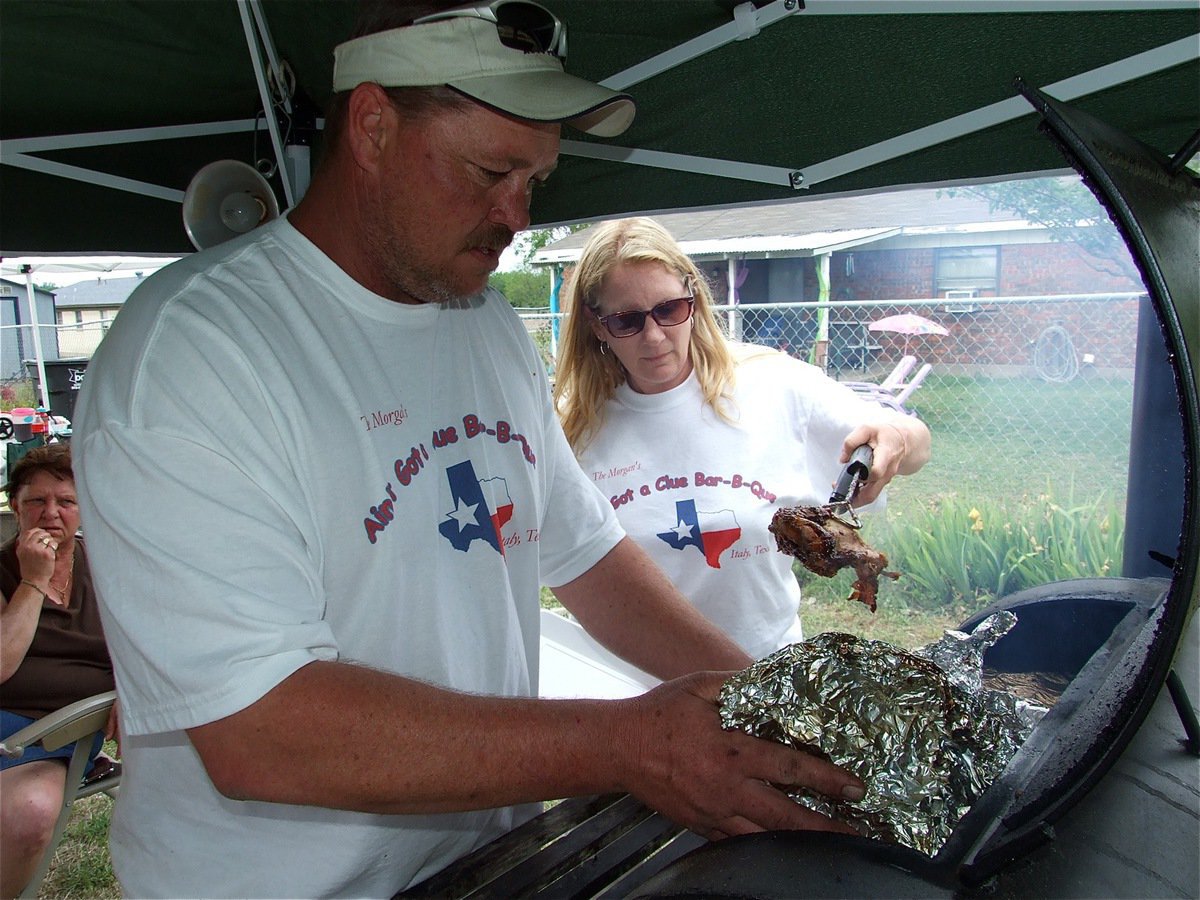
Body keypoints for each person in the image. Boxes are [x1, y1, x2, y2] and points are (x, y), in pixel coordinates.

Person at [72, 2, 866, 897]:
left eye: (536, 180)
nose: (515, 215)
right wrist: (629, 743)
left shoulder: (480, 317)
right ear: (372, 125)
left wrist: (767, 702)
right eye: (491, 171)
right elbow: (260, 728)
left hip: (492, 863)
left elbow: (589, 553)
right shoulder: (197, 350)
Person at [553, 217, 932, 658]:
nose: (654, 336)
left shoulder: (770, 385)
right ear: (596, 325)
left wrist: (898, 437)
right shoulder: (572, 427)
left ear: (692, 300)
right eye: (627, 320)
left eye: (669, 310)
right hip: (632, 686)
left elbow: (914, 443)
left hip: (762, 671)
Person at [1, 443, 116, 899]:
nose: (52, 513)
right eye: (36, 501)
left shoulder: (112, 568)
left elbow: (153, 644)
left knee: (30, 811)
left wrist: (136, 689)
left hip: (50, 738)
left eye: (66, 501)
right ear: (15, 507)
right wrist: (33, 580)